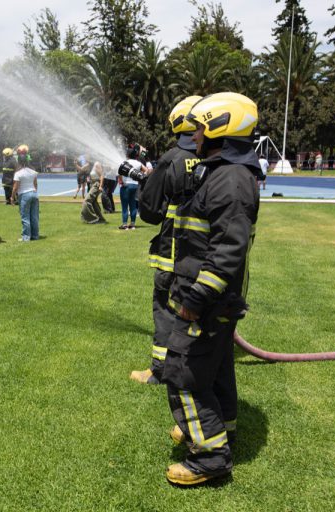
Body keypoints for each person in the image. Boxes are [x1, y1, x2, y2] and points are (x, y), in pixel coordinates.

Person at [161, 92, 261, 486]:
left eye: (201, 129)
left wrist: (195, 299)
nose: (195, 138)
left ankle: (209, 456)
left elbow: (226, 252)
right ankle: (225, 429)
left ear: (222, 128)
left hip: (206, 299)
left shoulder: (231, 180)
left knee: (183, 372)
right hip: (211, 298)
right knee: (216, 370)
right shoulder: (224, 173)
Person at [130, 95, 202, 385]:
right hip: (204, 253)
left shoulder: (174, 158)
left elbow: (151, 211)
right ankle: (193, 363)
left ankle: (160, 370)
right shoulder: (213, 157)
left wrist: (147, 182)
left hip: (173, 250)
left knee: (165, 306)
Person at [11, 145, 39, 241]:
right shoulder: (33, 171)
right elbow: (35, 184)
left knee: (25, 217)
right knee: (34, 216)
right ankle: (35, 236)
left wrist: (12, 197)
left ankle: (26, 237)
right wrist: (35, 192)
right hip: (34, 194)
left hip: (24, 195)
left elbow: (15, 187)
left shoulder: (18, 173)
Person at [118, 143, 148, 230]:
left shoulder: (124, 162)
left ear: (127, 155)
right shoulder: (138, 163)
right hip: (135, 186)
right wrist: (141, 177)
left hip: (126, 186)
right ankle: (133, 224)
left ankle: (124, 224)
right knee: (133, 206)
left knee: (124, 206)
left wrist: (122, 182)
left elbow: (119, 173)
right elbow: (147, 170)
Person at [81, 160, 106, 224]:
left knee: (87, 201)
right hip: (92, 184)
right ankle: (101, 219)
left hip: (96, 184)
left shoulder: (97, 164)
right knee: (94, 202)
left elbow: (102, 175)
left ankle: (93, 219)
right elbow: (82, 169)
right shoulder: (92, 165)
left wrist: (100, 186)